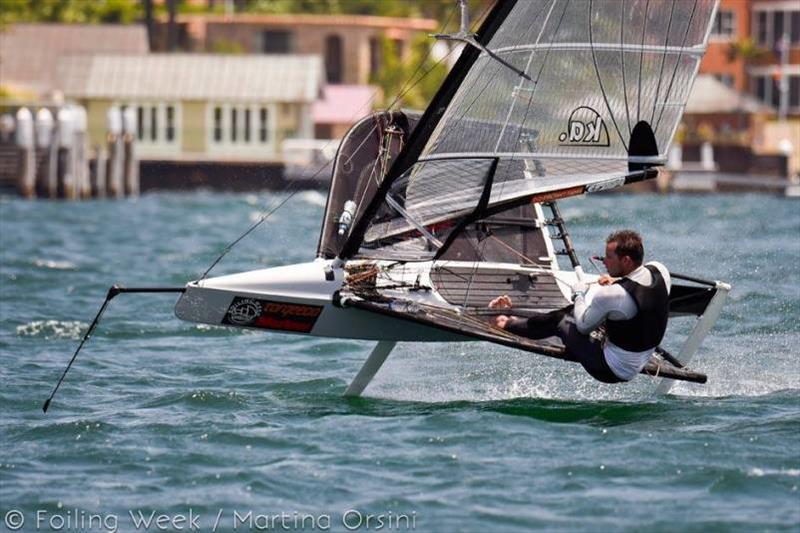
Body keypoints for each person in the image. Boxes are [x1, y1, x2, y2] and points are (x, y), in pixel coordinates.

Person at [489, 230, 671, 383]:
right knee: (581, 314)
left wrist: (579, 294)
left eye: (609, 257)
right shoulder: (660, 271)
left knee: (562, 319)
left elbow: (583, 327)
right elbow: (641, 289)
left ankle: (507, 324)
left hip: (609, 370)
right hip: (640, 357)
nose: (604, 261)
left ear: (626, 261)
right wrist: (618, 280)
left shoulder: (613, 295)